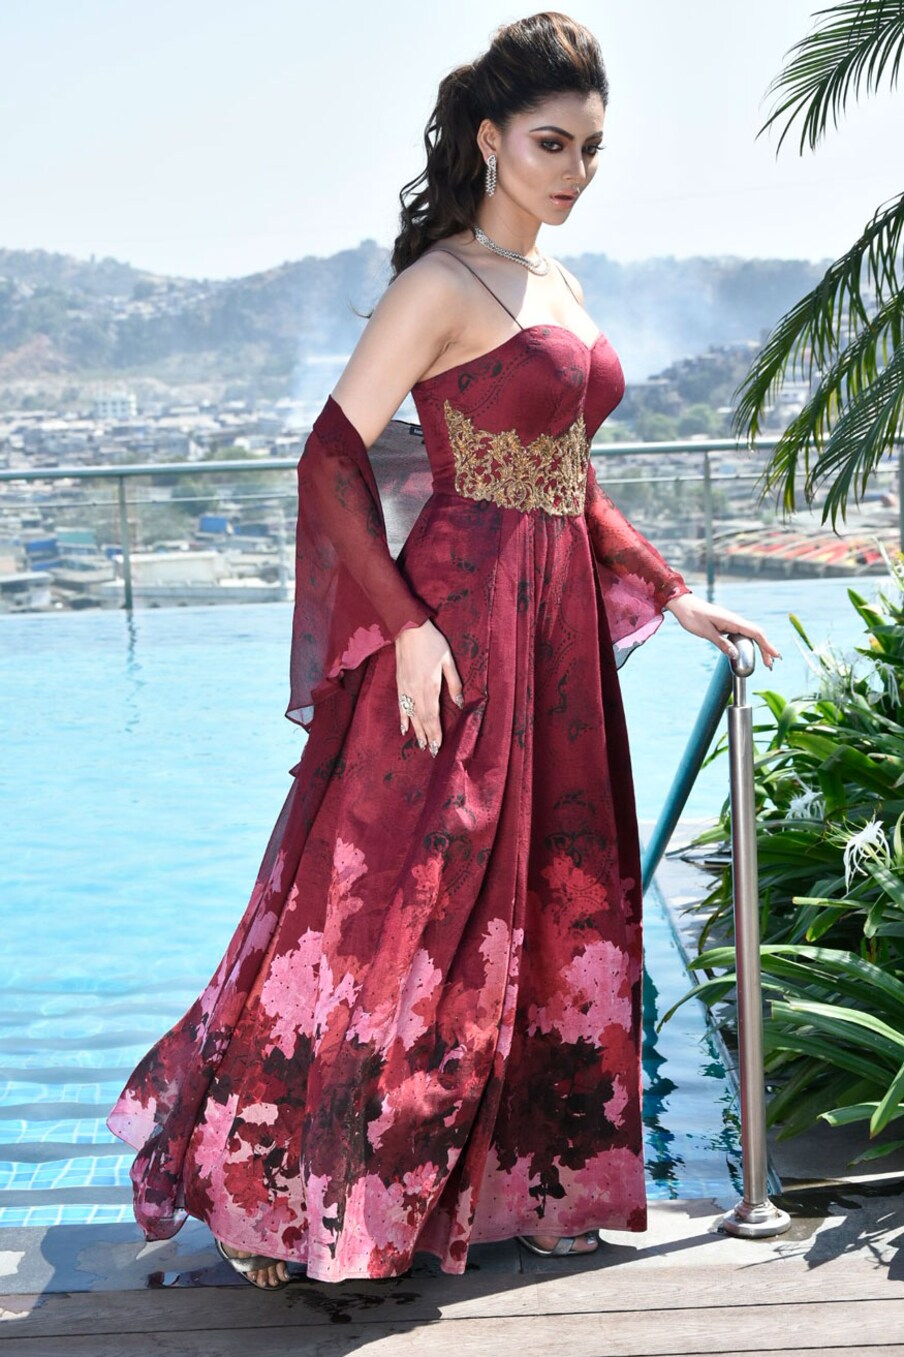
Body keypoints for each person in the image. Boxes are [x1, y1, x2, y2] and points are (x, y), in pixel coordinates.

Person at [107, 10, 780, 1289]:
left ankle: (515, 1184)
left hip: (556, 641)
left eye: (590, 147)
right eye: (549, 143)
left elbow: (569, 482)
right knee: (399, 905)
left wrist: (673, 593)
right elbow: (329, 459)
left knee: (543, 898)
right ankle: (275, 1194)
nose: (575, 169)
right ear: (487, 138)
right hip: (457, 631)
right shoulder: (439, 284)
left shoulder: (557, 285)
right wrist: (406, 627)